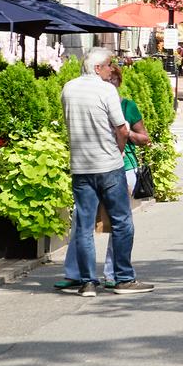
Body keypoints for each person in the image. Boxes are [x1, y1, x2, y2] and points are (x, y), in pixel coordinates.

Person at [57, 49, 148, 295]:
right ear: (97, 68)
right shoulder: (107, 90)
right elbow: (121, 129)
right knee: (122, 222)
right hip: (108, 165)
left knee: (85, 225)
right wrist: (118, 153)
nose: (111, 69)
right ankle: (123, 278)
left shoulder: (69, 88)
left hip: (81, 166)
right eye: (108, 65)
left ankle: (88, 281)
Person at [104, 64, 150, 285]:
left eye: (113, 80)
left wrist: (126, 132)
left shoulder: (127, 106)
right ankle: (80, 274)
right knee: (87, 223)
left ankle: (112, 272)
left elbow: (145, 138)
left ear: (118, 83)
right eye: (106, 80)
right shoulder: (94, 104)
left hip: (125, 168)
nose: (110, 84)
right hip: (98, 166)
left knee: (119, 222)